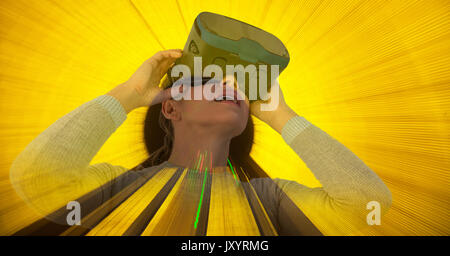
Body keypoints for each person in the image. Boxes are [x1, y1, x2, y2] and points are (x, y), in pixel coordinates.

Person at [10, 49, 392, 235]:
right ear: (171, 109)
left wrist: (281, 115)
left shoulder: (270, 199)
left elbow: (366, 205)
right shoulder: (120, 187)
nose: (229, 85)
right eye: (207, 77)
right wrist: (130, 92)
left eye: (237, 83)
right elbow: (39, 176)